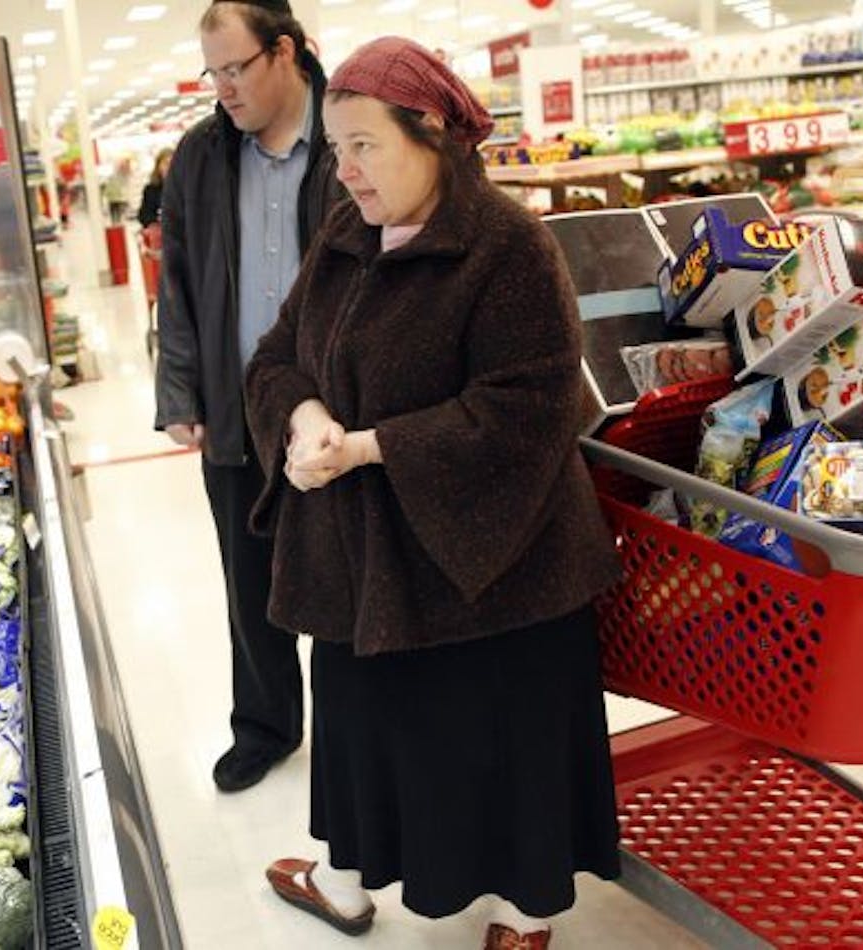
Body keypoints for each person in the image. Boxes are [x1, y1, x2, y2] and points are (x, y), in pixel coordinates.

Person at [244, 37, 624, 949]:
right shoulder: (343, 236)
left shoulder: (508, 247)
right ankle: (343, 883)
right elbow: (277, 356)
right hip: (366, 559)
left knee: (500, 738)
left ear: (434, 135)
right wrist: (302, 421)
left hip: (497, 564)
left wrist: (372, 447)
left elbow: (529, 409)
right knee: (361, 730)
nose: (348, 172)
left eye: (366, 146)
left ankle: (523, 915)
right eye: (337, 148)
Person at [154, 0, 343, 793]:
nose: (223, 88)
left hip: (332, 410)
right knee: (250, 581)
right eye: (213, 71)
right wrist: (179, 390)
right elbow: (181, 276)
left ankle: (349, 732)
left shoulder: (348, 136)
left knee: (343, 573)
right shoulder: (200, 155)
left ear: (286, 53)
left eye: (236, 68)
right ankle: (264, 726)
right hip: (238, 410)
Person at [137, 147, 173, 228]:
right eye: (166, 163)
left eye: (172, 163)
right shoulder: (151, 189)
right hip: (160, 233)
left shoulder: (184, 188)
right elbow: (143, 215)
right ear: (158, 166)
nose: (169, 167)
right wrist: (156, 220)